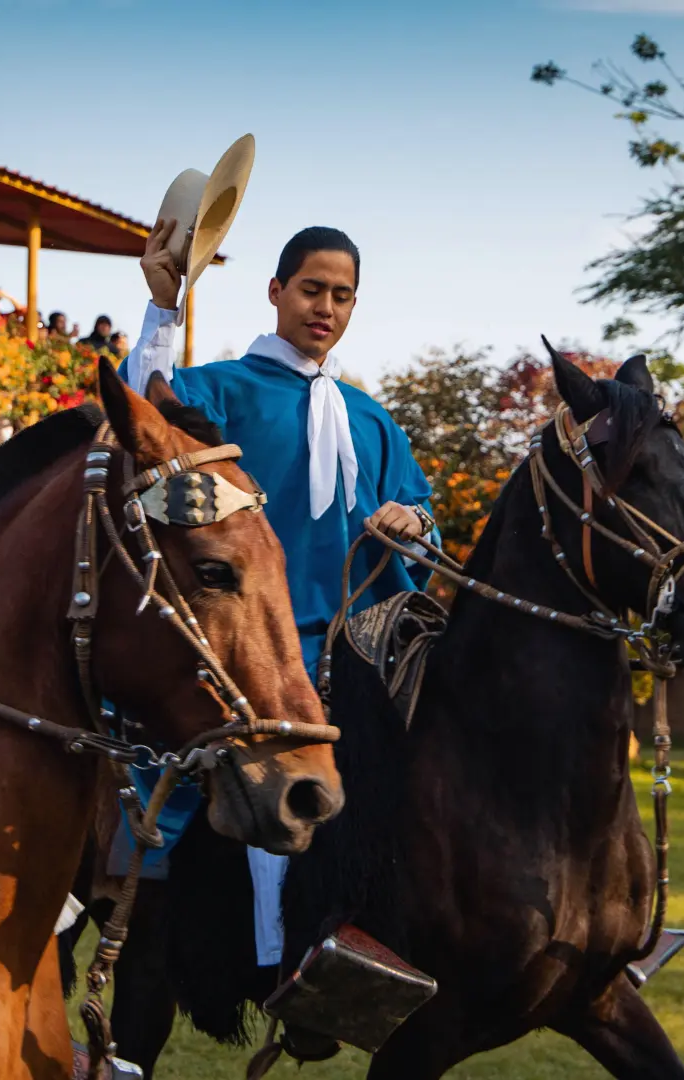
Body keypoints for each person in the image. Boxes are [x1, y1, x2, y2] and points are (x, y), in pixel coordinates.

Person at [121, 222, 433, 967]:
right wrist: (163, 313)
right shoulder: (220, 388)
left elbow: (426, 523)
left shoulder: (372, 419)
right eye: (312, 289)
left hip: (355, 655)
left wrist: (412, 521)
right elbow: (146, 414)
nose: (326, 307)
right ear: (276, 292)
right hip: (248, 651)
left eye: (343, 296)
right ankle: (274, 960)